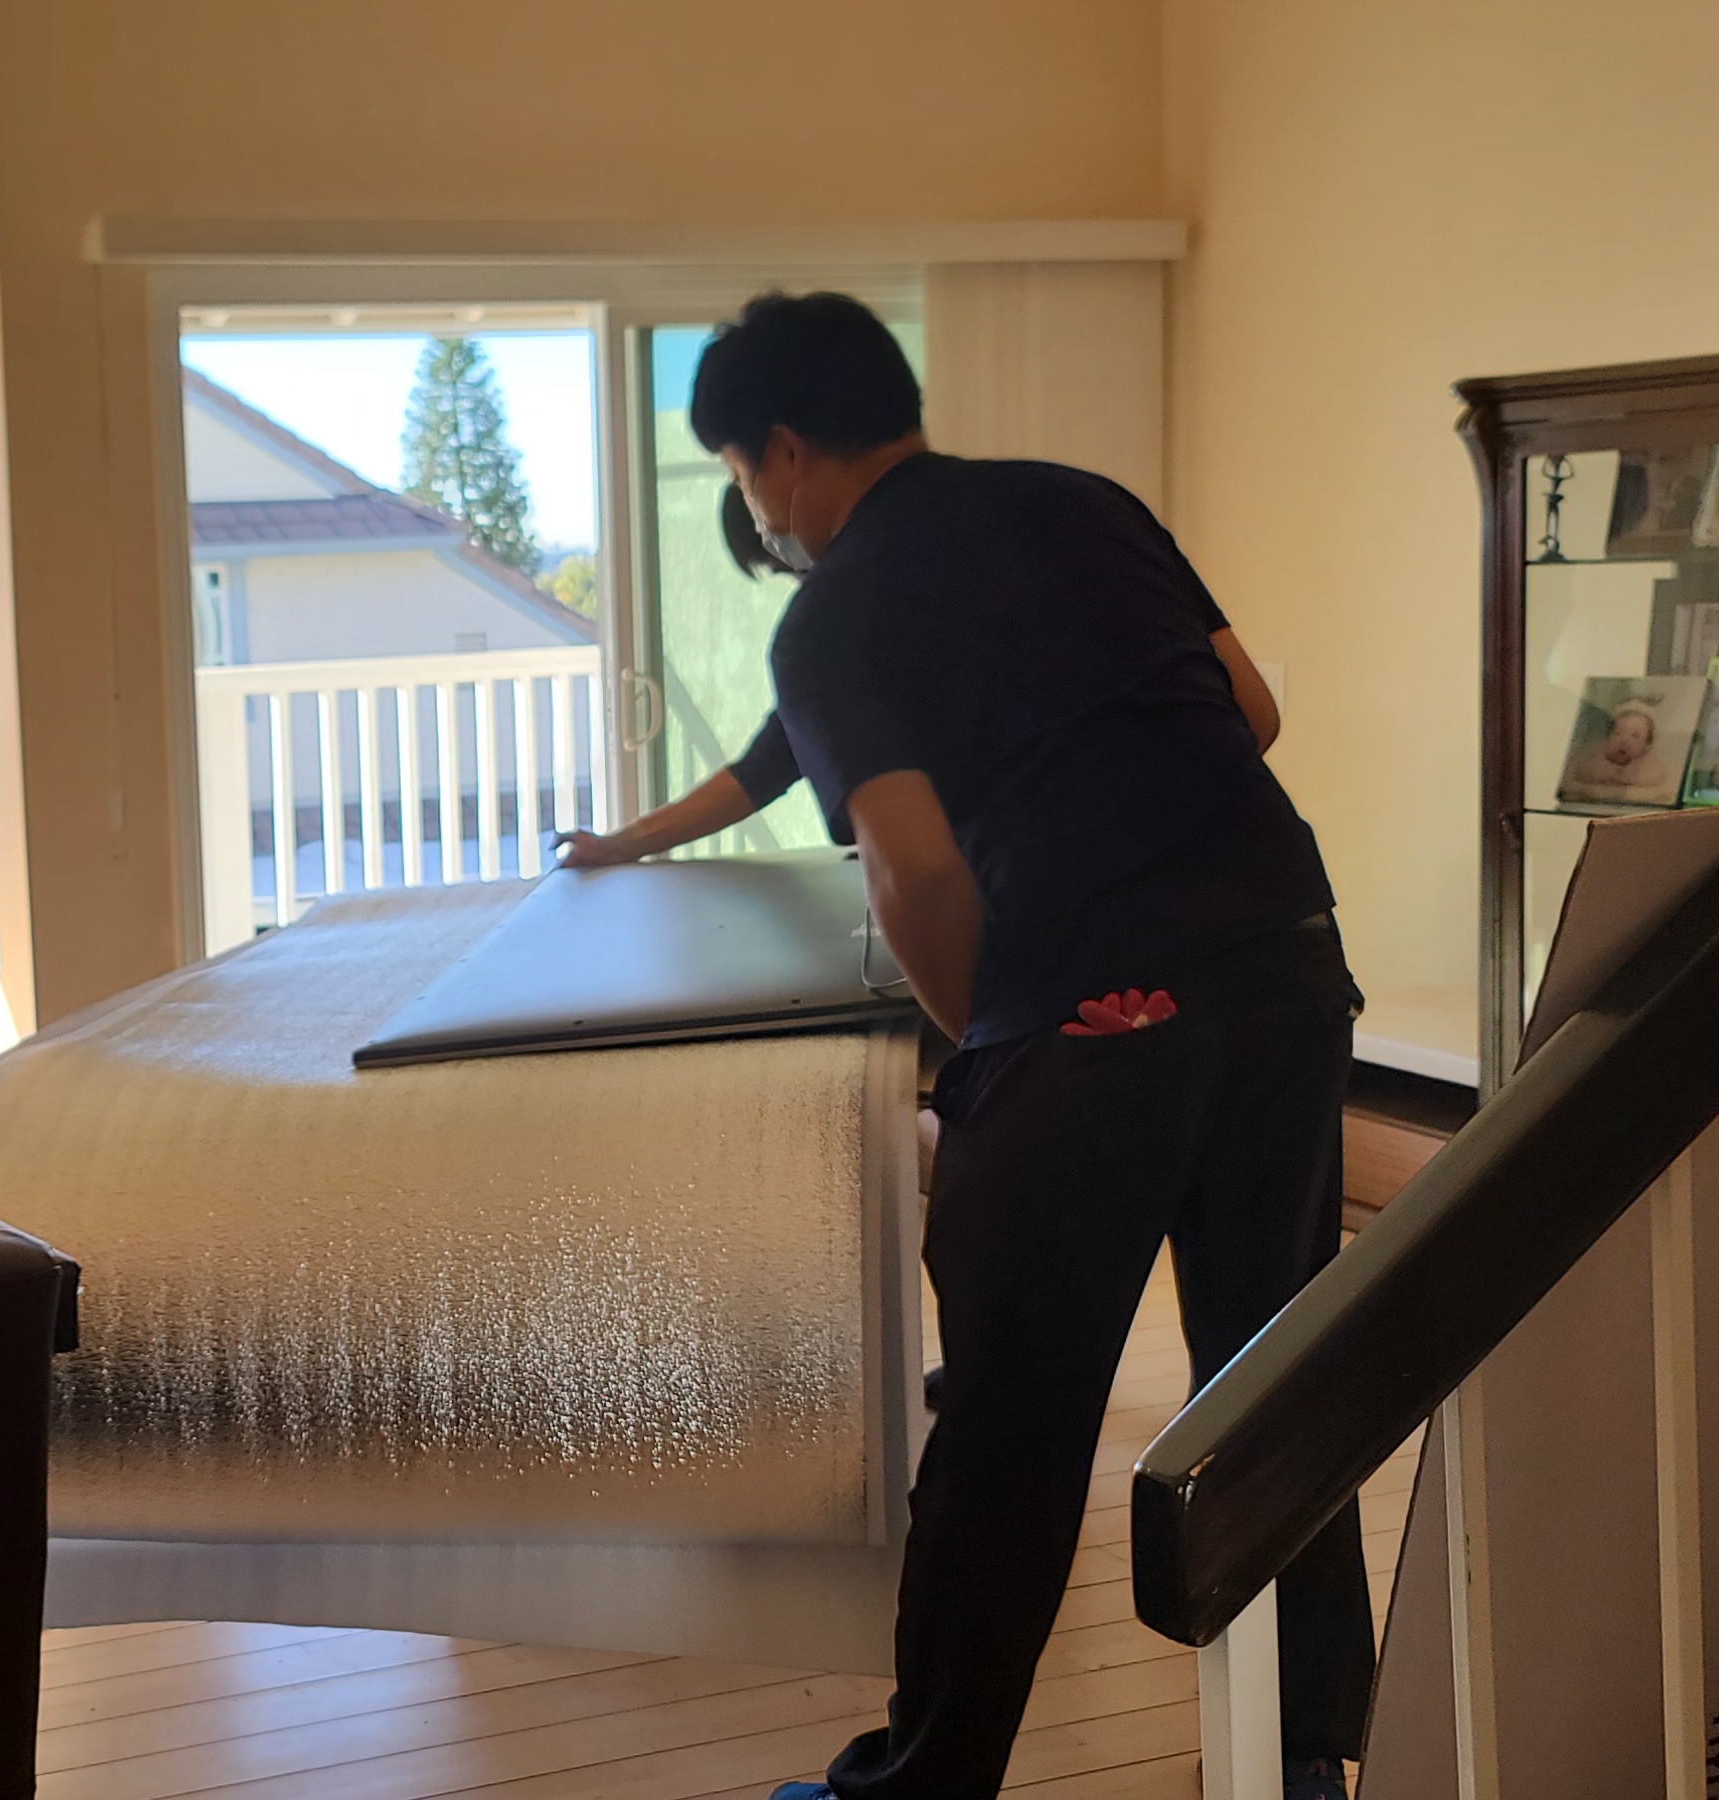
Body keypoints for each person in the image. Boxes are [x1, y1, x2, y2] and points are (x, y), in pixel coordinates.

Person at [557, 292, 1371, 1800]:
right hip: (1288, 965)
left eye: (738, 474)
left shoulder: (839, 610)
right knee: (1273, 1386)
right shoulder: (1084, 505)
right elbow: (1250, 711)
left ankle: (920, 1790)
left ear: (781, 451)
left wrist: (983, 1039)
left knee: (1007, 1424)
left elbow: (916, 871)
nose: (757, 510)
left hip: (1093, 1018)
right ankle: (1305, 1756)